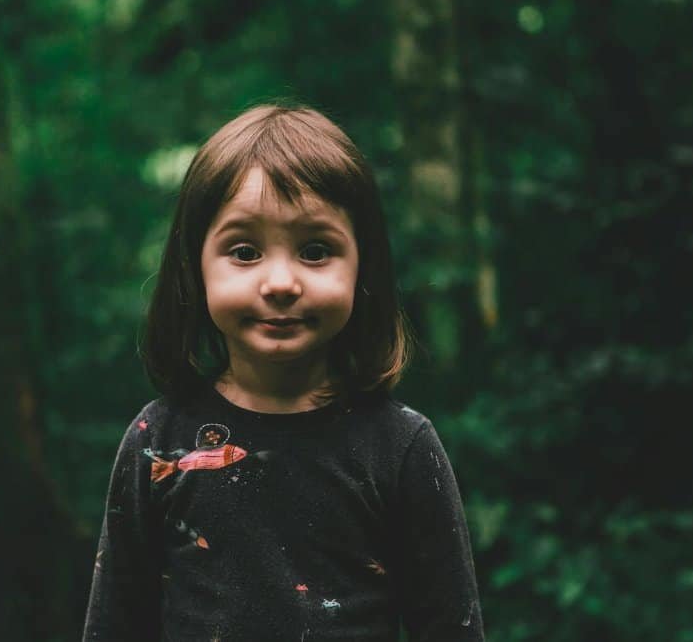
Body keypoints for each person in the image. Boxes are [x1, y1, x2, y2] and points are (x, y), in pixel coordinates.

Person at [81, 104, 483, 641]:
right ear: (194, 268)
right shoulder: (158, 443)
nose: (280, 283)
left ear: (363, 268)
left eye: (315, 251)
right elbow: (115, 625)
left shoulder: (400, 447)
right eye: (244, 251)